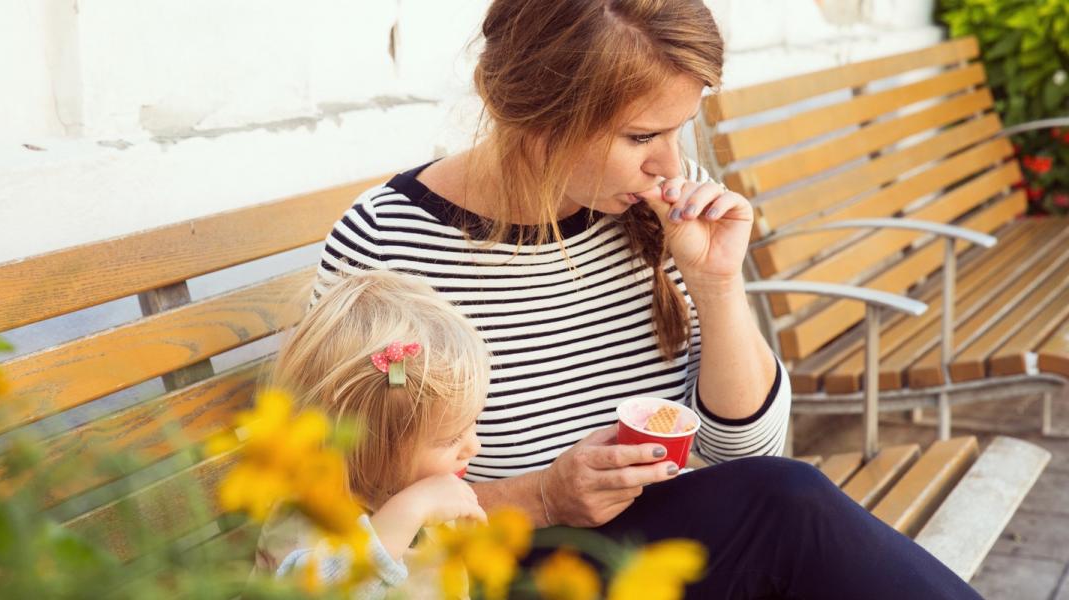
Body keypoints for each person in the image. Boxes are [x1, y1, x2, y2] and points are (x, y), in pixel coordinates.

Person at [308, 1, 984, 597]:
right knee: (793, 506)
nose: (670, 163)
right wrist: (542, 498)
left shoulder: (653, 209)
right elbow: (343, 516)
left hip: (657, 554)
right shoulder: (390, 242)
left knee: (791, 500)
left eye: (679, 130)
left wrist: (717, 281)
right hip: (496, 572)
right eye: (641, 137)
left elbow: (747, 455)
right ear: (541, 119)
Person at [251, 270, 489, 597]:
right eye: (451, 439)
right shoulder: (308, 517)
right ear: (368, 448)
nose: (473, 447)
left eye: (472, 424)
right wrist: (409, 511)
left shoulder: (405, 492)